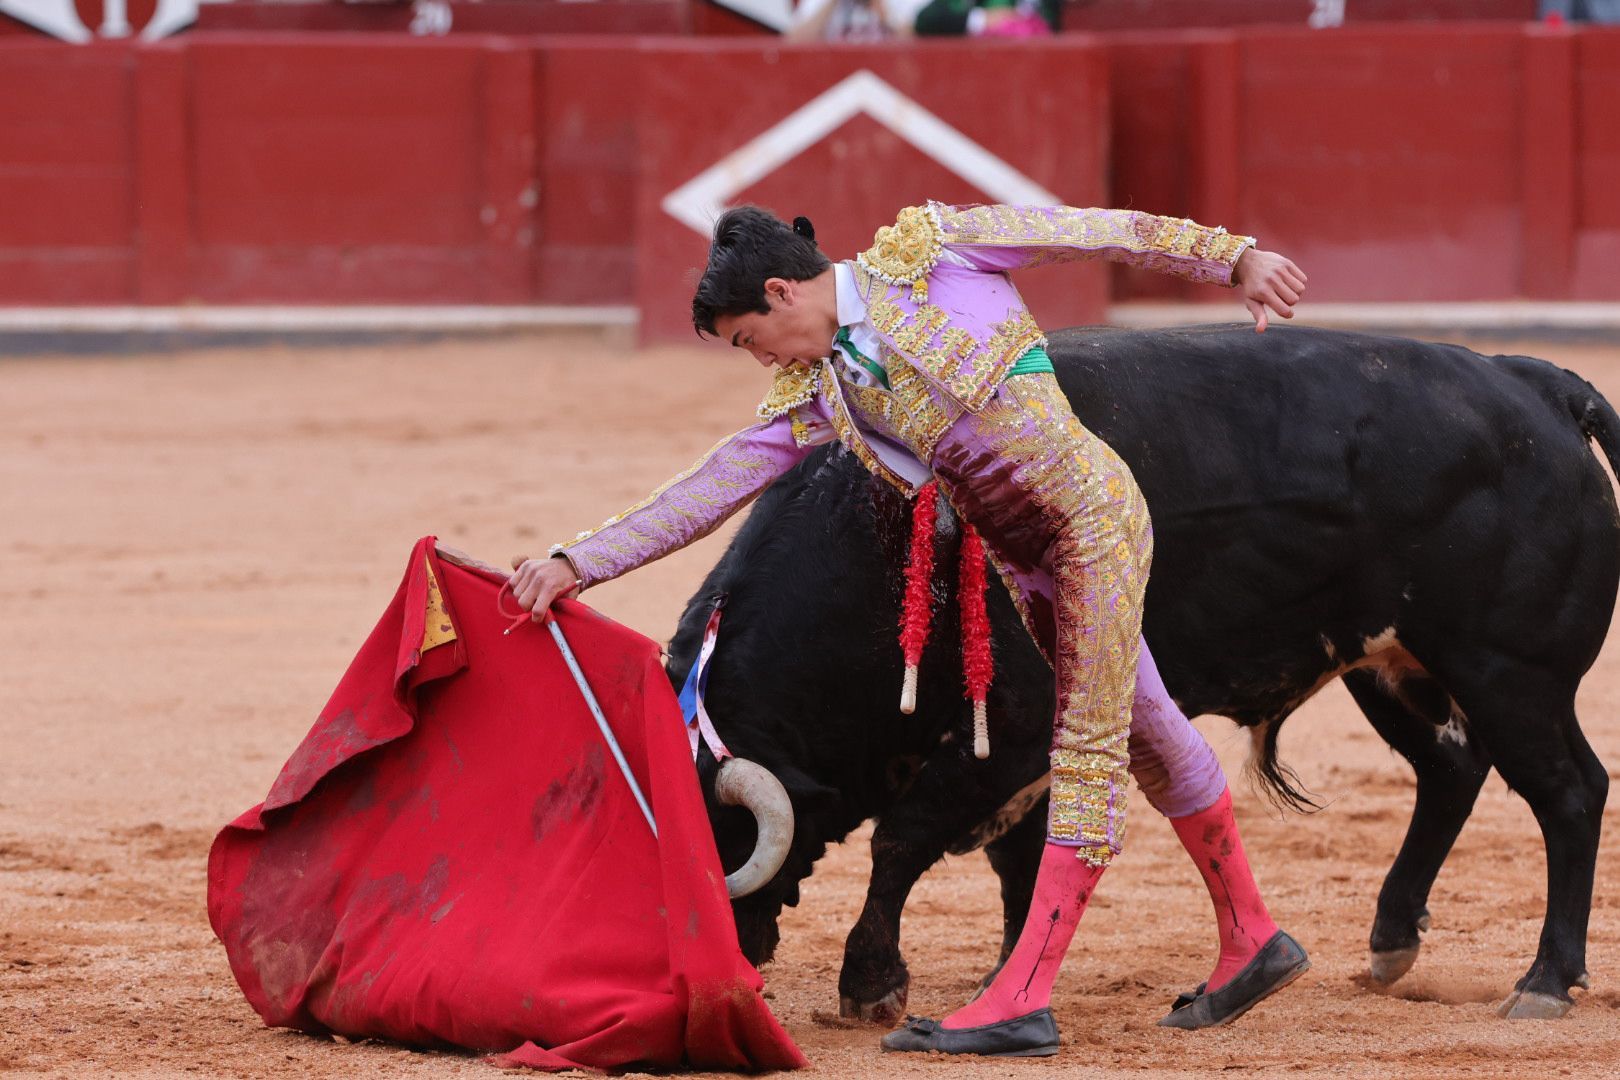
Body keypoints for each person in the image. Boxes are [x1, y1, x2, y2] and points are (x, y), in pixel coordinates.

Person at [511, 201, 1311, 1057]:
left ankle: (1024, 996)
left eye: (750, 339)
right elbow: (710, 488)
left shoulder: (934, 253)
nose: (762, 358)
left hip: (1092, 527)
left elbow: (1083, 229)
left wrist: (1232, 259)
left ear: (782, 294)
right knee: (1149, 736)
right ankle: (1252, 938)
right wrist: (579, 560)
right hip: (1026, 564)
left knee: (1085, 752)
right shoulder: (829, 390)